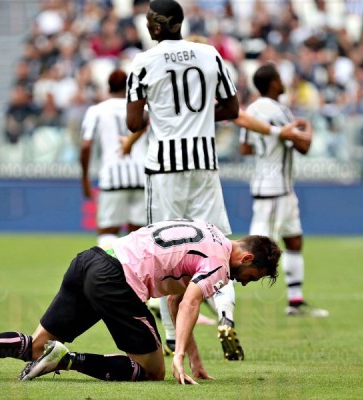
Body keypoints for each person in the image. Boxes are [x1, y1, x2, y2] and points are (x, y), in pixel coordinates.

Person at [123, 0, 306, 360]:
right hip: (204, 165)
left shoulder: (143, 61)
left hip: (164, 169)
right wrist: (200, 117)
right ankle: (225, 317)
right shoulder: (209, 55)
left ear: (157, 27)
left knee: (164, 255)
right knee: (220, 249)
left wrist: (161, 114)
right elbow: (233, 109)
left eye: (148, 22)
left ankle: (172, 340)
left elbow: (132, 122)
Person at [0, 219, 281, 384]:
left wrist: (195, 360)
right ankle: (67, 360)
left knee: (36, 347)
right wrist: (178, 355)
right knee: (153, 370)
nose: (244, 282)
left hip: (90, 261)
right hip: (118, 280)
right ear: (247, 258)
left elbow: (176, 301)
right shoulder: (220, 263)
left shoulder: (209, 232)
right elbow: (190, 304)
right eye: (252, 276)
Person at [240, 63, 329, 317]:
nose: (283, 82)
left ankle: (295, 301)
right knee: (254, 250)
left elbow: (245, 148)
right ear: (273, 83)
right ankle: (220, 293)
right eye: (279, 78)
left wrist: (267, 148)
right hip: (275, 187)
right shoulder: (278, 111)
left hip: (274, 185)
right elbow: (303, 146)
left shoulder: (251, 109)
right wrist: (307, 126)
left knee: (293, 239)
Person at [80, 69, 148, 248]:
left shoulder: (97, 110)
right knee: (139, 237)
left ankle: (109, 267)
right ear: (128, 87)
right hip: (142, 176)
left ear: (108, 87)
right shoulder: (143, 109)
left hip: (112, 178)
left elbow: (86, 145)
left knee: (107, 233)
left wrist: (85, 178)